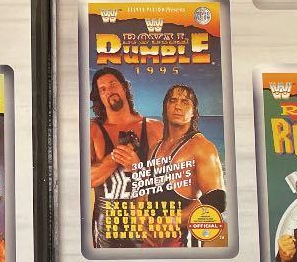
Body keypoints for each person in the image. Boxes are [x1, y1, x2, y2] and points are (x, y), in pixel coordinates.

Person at [89, 67, 163, 248]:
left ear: (124, 87)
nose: (109, 90)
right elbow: (87, 179)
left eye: (113, 84)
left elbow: (170, 179)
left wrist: (138, 169)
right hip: (105, 226)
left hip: (144, 223)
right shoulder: (93, 130)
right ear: (99, 97)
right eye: (103, 89)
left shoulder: (155, 128)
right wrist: (117, 156)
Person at [144, 84, 226, 247]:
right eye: (172, 100)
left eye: (185, 102)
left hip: (184, 244)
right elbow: (148, 193)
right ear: (165, 107)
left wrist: (170, 221)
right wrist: (143, 222)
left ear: (194, 111)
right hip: (153, 242)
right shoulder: (155, 148)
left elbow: (217, 199)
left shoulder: (202, 147)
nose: (178, 106)